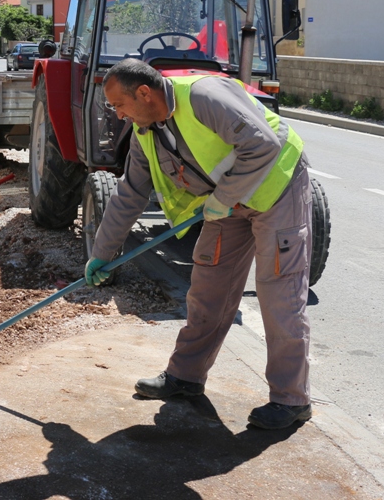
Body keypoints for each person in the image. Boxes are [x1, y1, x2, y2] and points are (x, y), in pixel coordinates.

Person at [86, 58, 312, 430]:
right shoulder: (147, 134)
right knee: (208, 288)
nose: (119, 114)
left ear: (144, 93)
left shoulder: (204, 96)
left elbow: (264, 145)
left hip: (276, 189)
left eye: (119, 105)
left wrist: (224, 197)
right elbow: (130, 194)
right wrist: (102, 254)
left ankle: (291, 400)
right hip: (227, 203)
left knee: (279, 294)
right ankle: (185, 378)